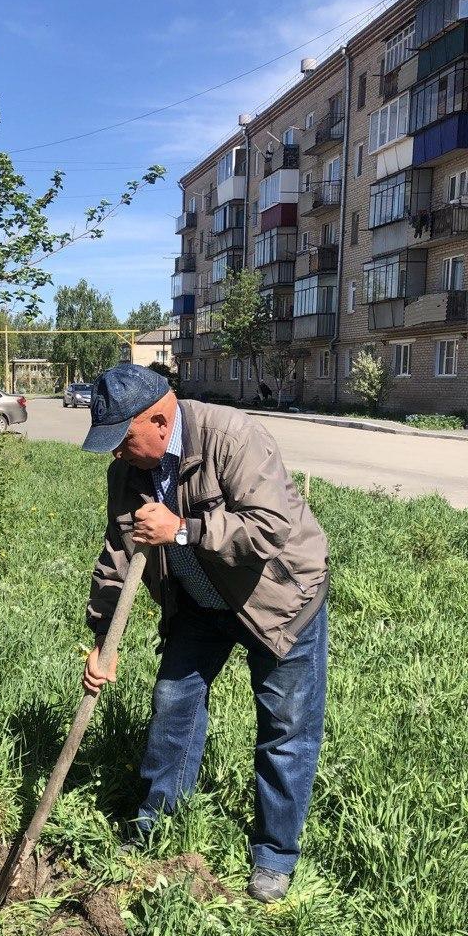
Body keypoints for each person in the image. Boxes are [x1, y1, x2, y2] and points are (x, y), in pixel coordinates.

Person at [81, 364, 328, 903]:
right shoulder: (127, 471)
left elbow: (269, 528)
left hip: (278, 598)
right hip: (198, 602)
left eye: (122, 440)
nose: (117, 454)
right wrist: (103, 640)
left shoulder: (234, 437)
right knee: (174, 703)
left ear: (161, 420)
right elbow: (117, 555)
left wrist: (184, 529)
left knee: (286, 726)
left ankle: (274, 855)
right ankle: (157, 825)